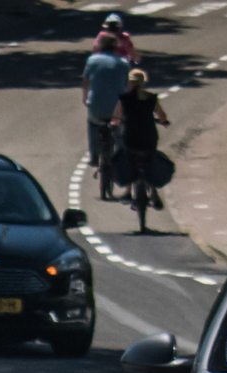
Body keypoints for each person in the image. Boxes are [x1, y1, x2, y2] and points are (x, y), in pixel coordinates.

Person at [114, 68, 170, 230]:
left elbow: (116, 117)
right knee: (151, 157)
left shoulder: (124, 99)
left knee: (127, 156)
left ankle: (127, 191)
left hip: (131, 138)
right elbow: (162, 116)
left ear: (130, 83)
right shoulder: (151, 98)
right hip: (149, 138)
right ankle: (153, 191)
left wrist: (114, 124)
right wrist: (164, 122)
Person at [83, 34, 133, 201]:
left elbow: (86, 81)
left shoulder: (92, 61)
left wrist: (85, 98)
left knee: (92, 124)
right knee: (119, 133)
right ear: (115, 48)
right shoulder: (123, 63)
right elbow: (127, 84)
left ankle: (94, 155)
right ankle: (120, 156)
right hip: (117, 109)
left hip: (97, 107)